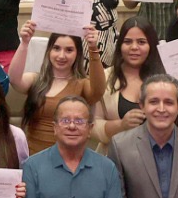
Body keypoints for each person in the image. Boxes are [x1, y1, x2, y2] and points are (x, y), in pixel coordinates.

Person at [10, 23, 107, 154]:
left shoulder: (82, 84)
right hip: (33, 159)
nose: (61, 56)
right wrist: (25, 43)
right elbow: (14, 79)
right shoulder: (36, 80)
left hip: (68, 159)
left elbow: (99, 90)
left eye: (69, 50)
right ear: (49, 51)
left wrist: (93, 48)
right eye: (56, 48)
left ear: (77, 54)